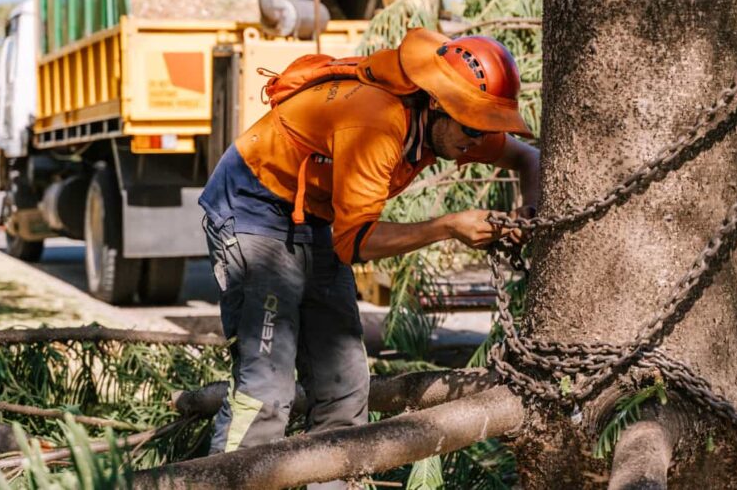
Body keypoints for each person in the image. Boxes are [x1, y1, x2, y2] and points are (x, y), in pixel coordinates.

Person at [198, 27, 539, 482]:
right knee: (267, 388)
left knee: (345, 386)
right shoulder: (377, 121)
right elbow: (354, 242)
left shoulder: (451, 124)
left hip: (316, 216)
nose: (476, 143)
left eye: (487, 129)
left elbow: (528, 159)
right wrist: (447, 227)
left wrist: (528, 215)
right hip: (253, 204)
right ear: (437, 102)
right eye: (472, 128)